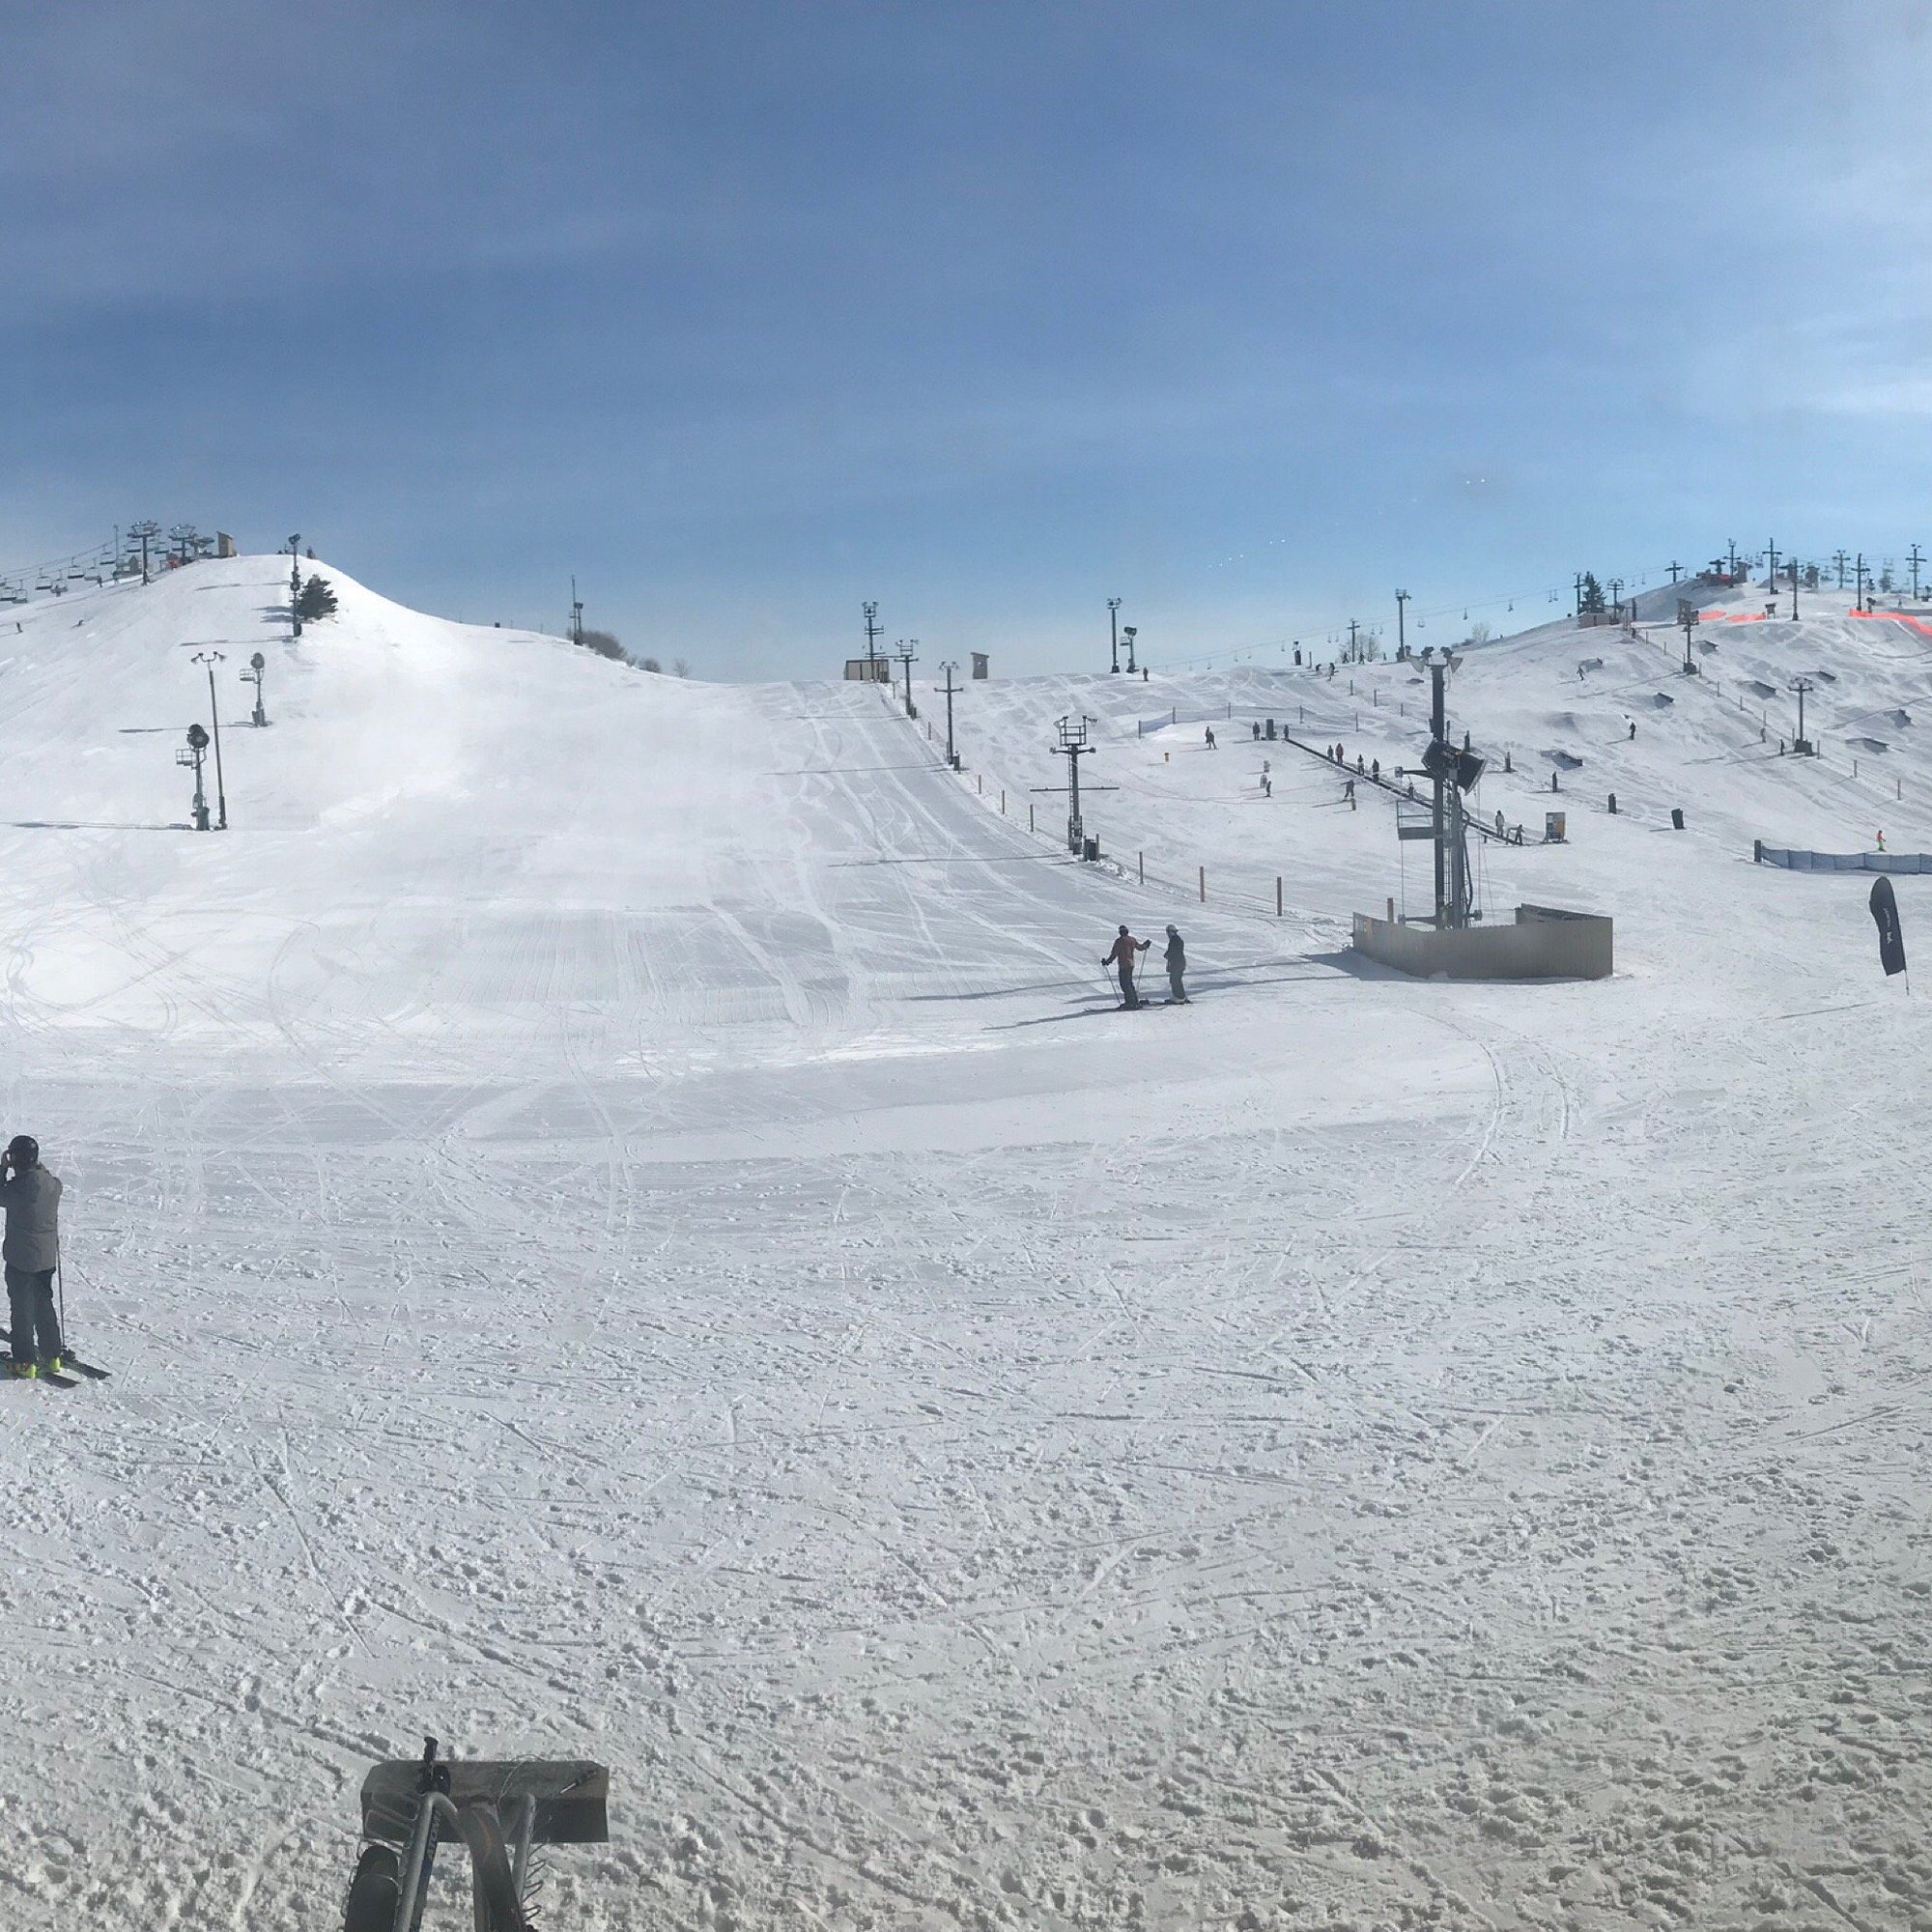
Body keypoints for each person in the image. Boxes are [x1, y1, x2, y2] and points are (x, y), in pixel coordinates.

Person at [1, 1135, 63, 1378]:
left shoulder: (18, 1189)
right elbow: (51, 1181)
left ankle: (25, 1361)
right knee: (43, 1304)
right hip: (46, 1259)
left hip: (21, 1260)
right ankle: (53, 1354)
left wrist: (1, 1169)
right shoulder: (52, 1185)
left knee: (22, 1310)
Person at [1103, 925, 1150, 1009]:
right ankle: (1134, 1001)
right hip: (1131, 964)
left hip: (1123, 965)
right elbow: (1140, 947)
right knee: (1129, 983)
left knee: (1124, 984)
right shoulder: (1132, 940)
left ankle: (1130, 1002)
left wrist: (1107, 962)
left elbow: (1114, 954)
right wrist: (1145, 945)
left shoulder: (1119, 941)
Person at [1162, 925, 1188, 1003]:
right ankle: (1180, 996)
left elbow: (1174, 951)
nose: (1168, 934)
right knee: (1176, 979)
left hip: (1177, 963)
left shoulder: (1175, 940)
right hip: (1178, 962)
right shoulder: (1176, 939)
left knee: (1175, 980)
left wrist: (1168, 955)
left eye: (1168, 932)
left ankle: (1179, 996)